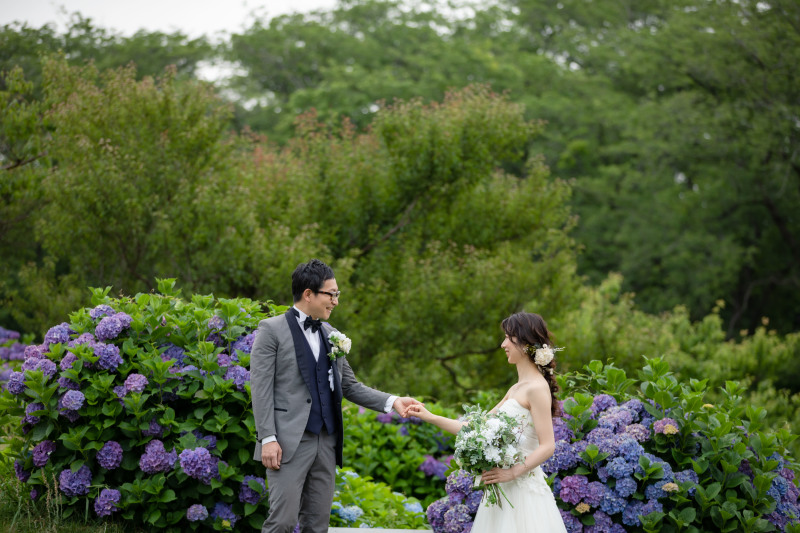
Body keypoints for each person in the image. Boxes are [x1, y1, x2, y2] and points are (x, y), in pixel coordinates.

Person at [249, 259, 421, 533]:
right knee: (281, 522)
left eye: (336, 294)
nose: (336, 301)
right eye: (331, 294)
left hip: (326, 442)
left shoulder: (332, 334)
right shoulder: (271, 330)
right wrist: (267, 437)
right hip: (287, 442)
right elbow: (260, 388)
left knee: (317, 526)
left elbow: (350, 386)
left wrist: (393, 401)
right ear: (308, 294)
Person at [407, 312, 567, 532]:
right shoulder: (516, 388)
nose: (503, 345)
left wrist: (511, 473)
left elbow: (548, 446)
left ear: (525, 342)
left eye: (508, 338)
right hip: (501, 490)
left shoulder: (537, 388)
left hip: (523, 495)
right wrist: (429, 416)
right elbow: (475, 429)